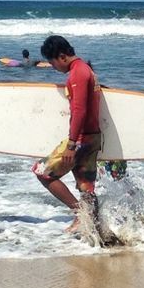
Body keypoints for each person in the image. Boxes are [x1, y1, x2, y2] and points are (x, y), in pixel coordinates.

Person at [31, 34, 103, 232]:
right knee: (86, 186)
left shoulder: (77, 74)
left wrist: (71, 144)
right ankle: (95, 229)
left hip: (81, 139)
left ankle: (80, 213)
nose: (54, 68)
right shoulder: (87, 70)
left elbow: (80, 110)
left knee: (42, 172)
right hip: (94, 136)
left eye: (53, 63)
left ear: (62, 56)